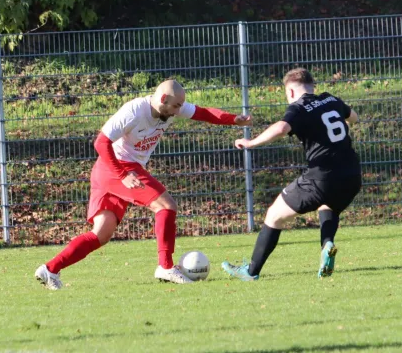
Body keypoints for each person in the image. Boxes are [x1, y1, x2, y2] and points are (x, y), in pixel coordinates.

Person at [35, 80, 252, 289]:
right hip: (117, 167)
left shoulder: (171, 106)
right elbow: (100, 142)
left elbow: (203, 113)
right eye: (176, 106)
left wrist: (233, 120)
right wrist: (122, 175)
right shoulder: (134, 111)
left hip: (118, 169)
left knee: (101, 234)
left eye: (180, 107)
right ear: (163, 98)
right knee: (166, 206)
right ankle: (165, 267)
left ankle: (50, 269)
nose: (178, 111)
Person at [222, 68, 361, 281]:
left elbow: (281, 128)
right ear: (312, 86)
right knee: (328, 205)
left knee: (273, 216)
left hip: (321, 178)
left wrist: (251, 142)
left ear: (292, 92)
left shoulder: (299, 108)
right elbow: (354, 118)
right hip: (352, 175)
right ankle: (327, 244)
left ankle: (251, 271)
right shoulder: (331, 99)